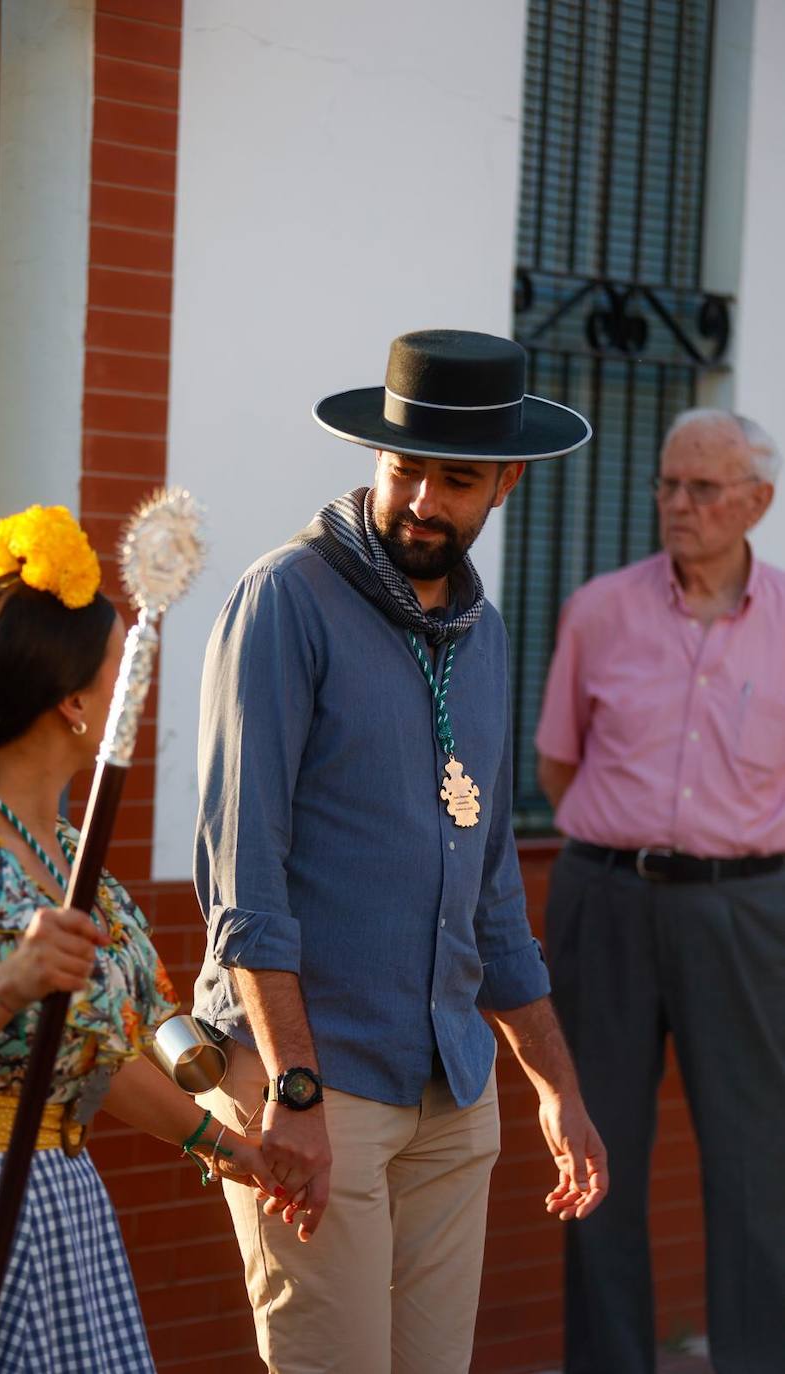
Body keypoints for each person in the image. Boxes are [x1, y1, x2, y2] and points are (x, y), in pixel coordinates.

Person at [192, 330, 609, 1374]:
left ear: (506, 482)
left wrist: (557, 1087)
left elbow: (495, 895)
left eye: (456, 479)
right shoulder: (285, 598)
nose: (422, 498)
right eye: (404, 467)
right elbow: (243, 880)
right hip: (315, 1085)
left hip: (454, 1093)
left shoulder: (487, 634)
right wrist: (293, 1092)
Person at [0, 504, 282, 1374]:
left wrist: (227, 1149)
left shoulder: (65, 854)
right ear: (74, 702)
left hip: (56, 1208)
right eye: (117, 670)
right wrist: (5, 986)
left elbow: (101, 1053)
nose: (136, 688)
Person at [535, 409, 785, 1374]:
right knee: (595, 1158)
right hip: (606, 901)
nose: (678, 506)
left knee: (755, 1164)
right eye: (667, 485)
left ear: (755, 503)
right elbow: (560, 768)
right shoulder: (599, 609)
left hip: (748, 911)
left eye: (703, 489)